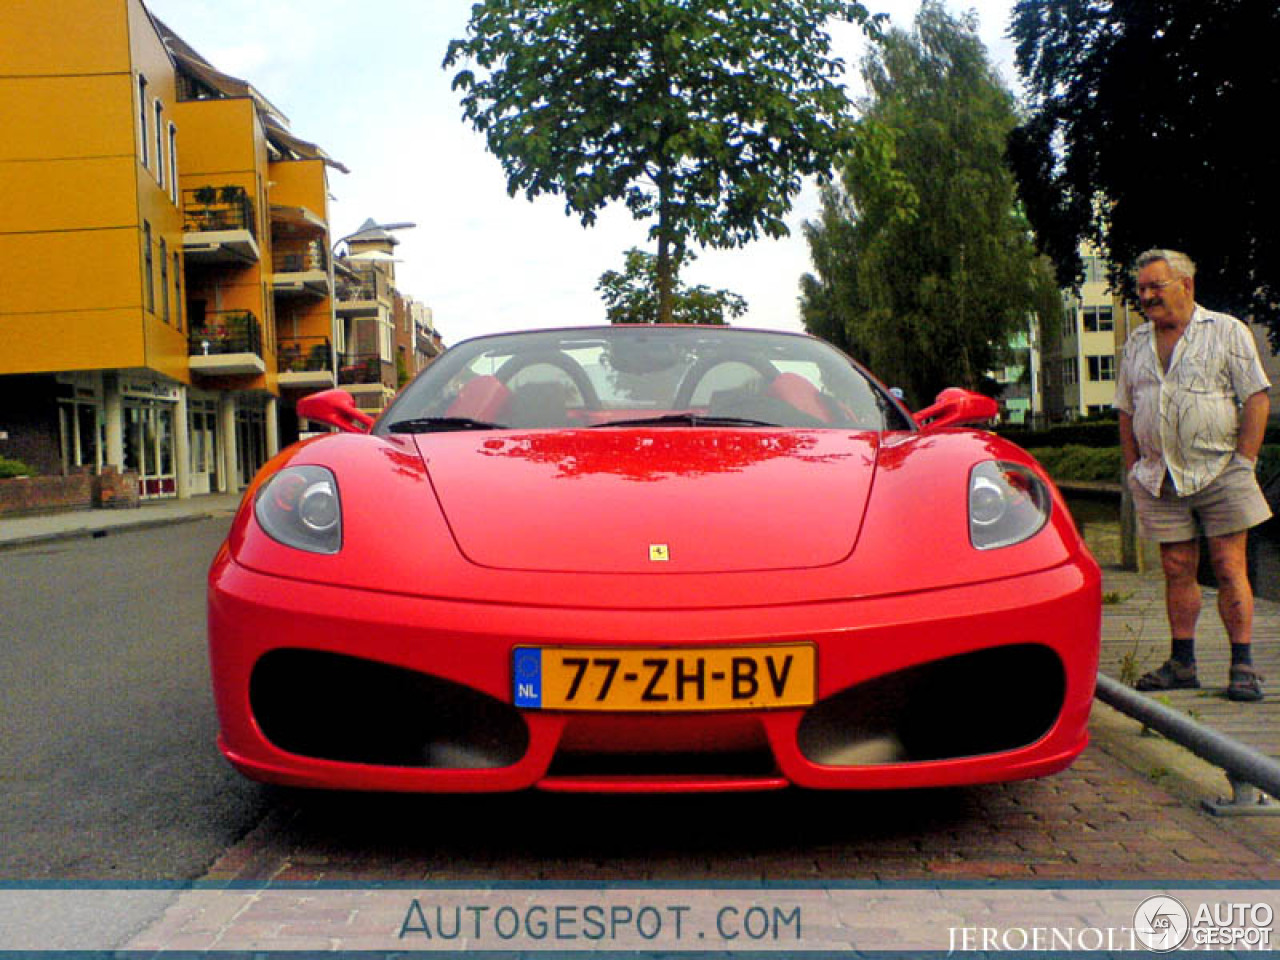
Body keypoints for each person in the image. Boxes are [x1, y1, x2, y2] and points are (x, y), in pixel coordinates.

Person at [1114, 249, 1272, 702]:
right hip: (1160, 475)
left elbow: (1256, 397)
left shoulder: (1226, 332)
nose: (1146, 296)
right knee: (1176, 567)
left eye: (1155, 287)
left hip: (1222, 468)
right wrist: (1132, 468)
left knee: (1227, 565)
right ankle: (1183, 662)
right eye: (1141, 289)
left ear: (1186, 285)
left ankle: (1242, 664)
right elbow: (1127, 410)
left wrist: (1245, 460)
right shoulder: (1136, 343)